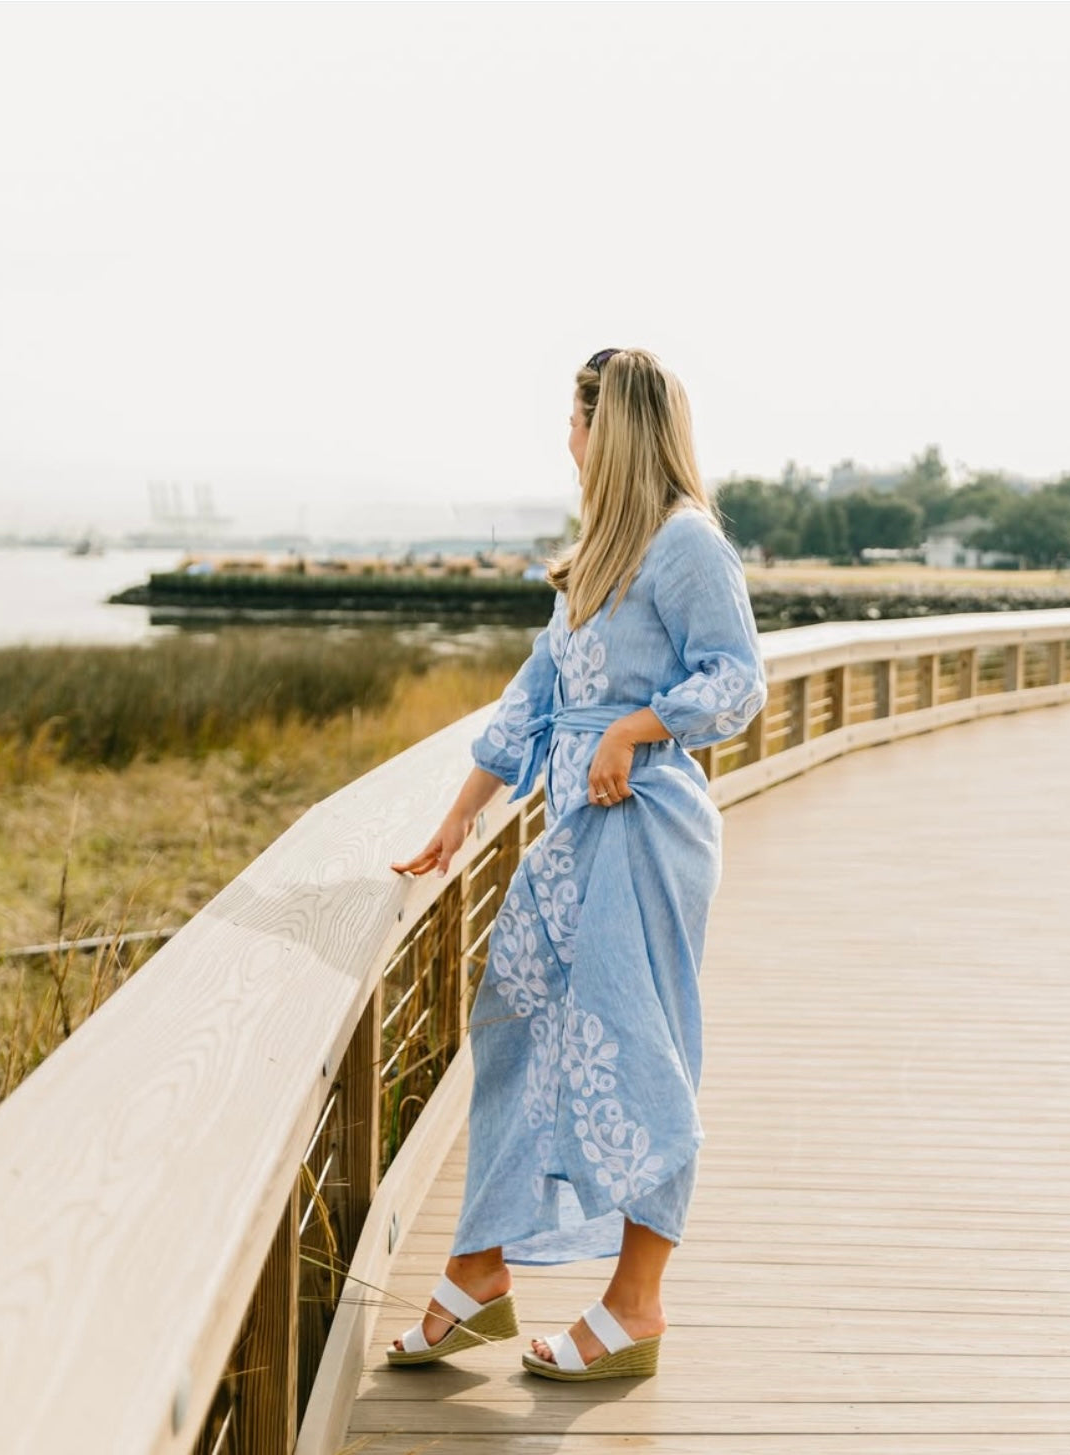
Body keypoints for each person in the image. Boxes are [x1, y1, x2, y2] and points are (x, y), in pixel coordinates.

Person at [387, 347, 768, 1380]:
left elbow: (738, 681)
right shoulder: (600, 552)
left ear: (617, 429)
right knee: (512, 1019)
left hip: (644, 824)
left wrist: (637, 726)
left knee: (635, 1048)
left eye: (577, 420)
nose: (568, 439)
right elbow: (533, 699)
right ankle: (480, 1273)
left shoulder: (688, 545)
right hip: (572, 830)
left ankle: (633, 1304)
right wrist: (458, 822)